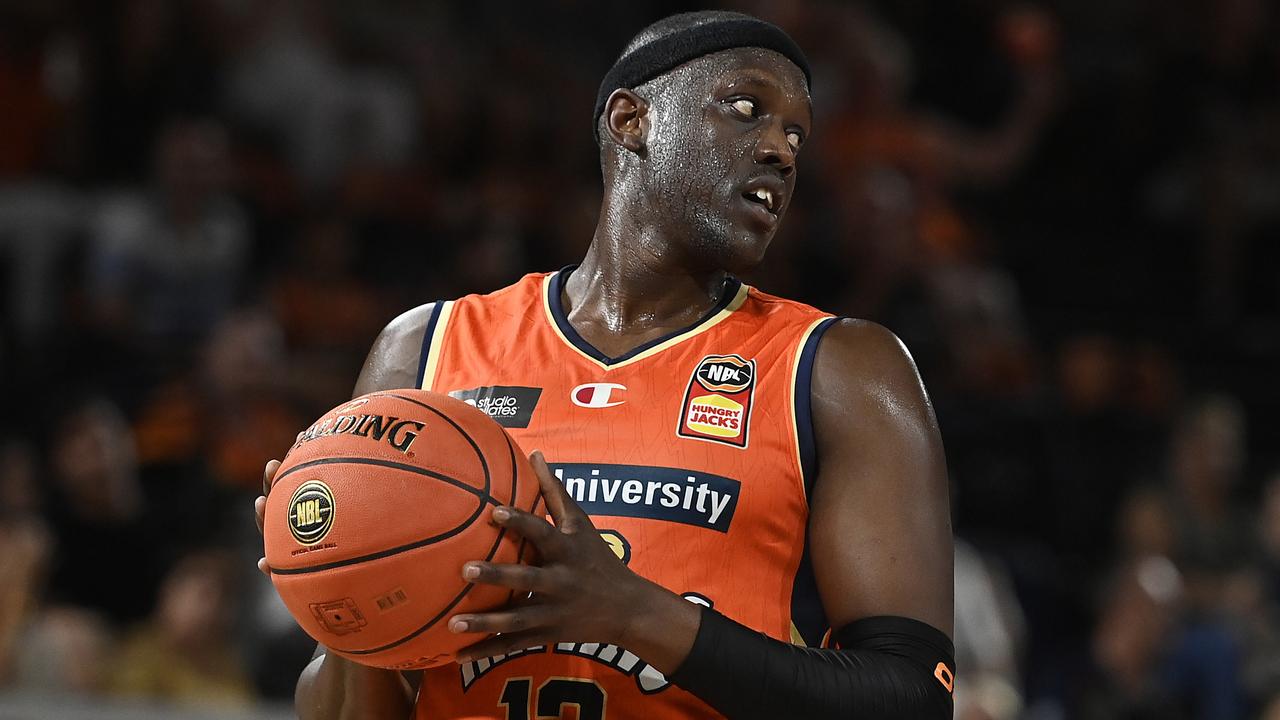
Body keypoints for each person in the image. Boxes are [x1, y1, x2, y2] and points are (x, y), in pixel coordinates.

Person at [255, 11, 954, 719]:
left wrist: (633, 613)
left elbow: (911, 698)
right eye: (747, 109)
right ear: (632, 120)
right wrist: (342, 575)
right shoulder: (425, 348)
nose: (780, 149)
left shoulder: (839, 369)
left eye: (797, 134)